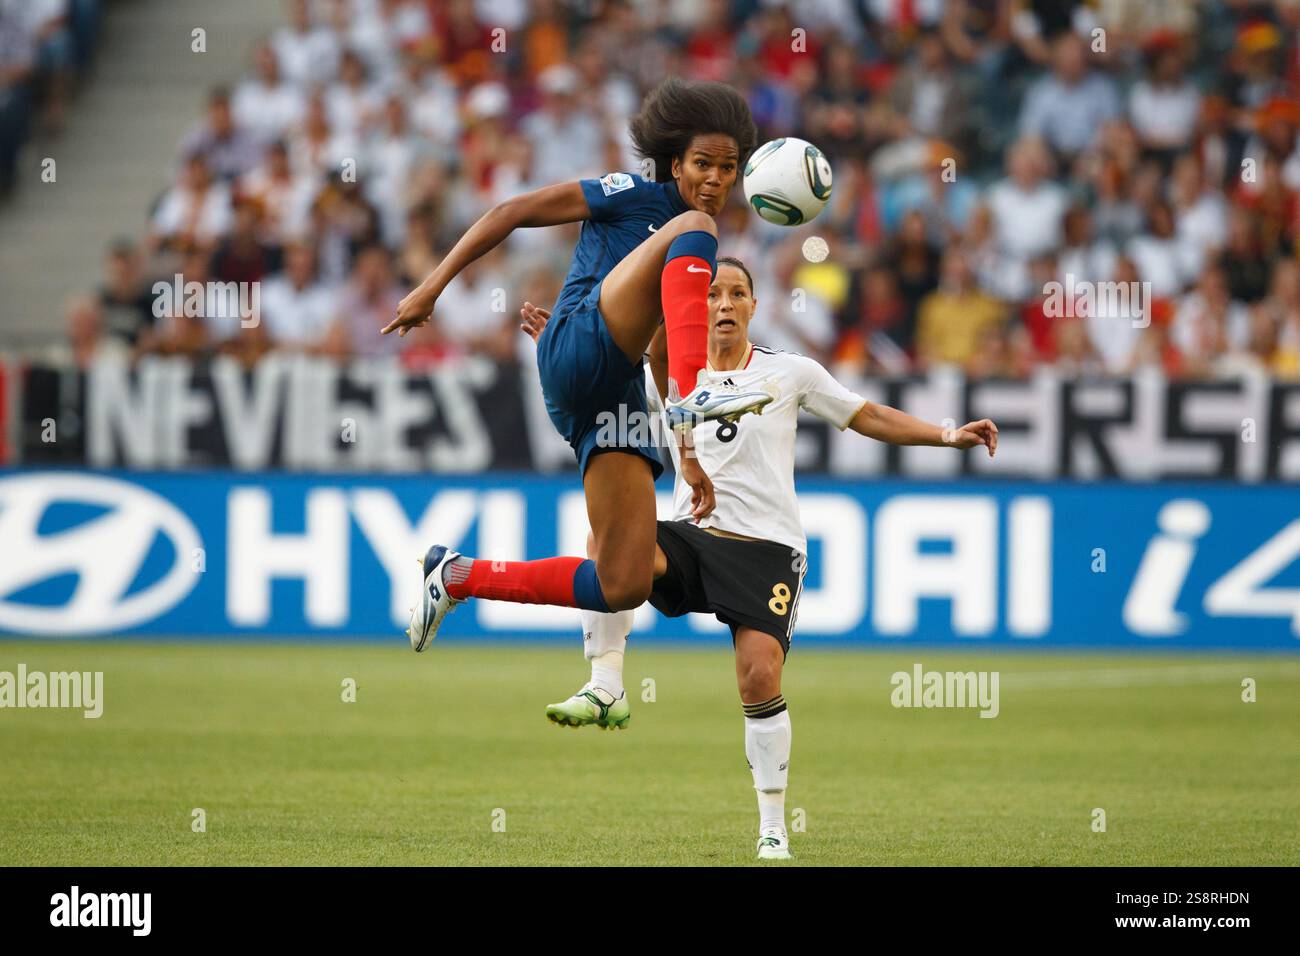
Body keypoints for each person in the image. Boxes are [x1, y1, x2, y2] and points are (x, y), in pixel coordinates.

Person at [521, 257, 999, 861]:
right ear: (694, 308)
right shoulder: (665, 375)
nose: (722, 304)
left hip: (766, 549)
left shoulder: (789, 373)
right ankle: (606, 682)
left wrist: (947, 435)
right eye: (711, 293)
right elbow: (592, 396)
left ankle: (773, 824)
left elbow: (866, 414)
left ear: (753, 306)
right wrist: (553, 357)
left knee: (759, 675)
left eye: (736, 294)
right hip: (690, 534)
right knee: (609, 536)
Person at [382, 78, 777, 649]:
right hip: (577, 340)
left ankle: (457, 575)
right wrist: (431, 288)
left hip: (612, 384)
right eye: (703, 164)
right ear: (673, 163)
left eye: (729, 167)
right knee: (696, 228)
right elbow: (512, 209)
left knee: (626, 581)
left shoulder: (688, 259)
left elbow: (665, 349)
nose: (716, 179)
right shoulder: (639, 200)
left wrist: (687, 456)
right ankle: (705, 395)